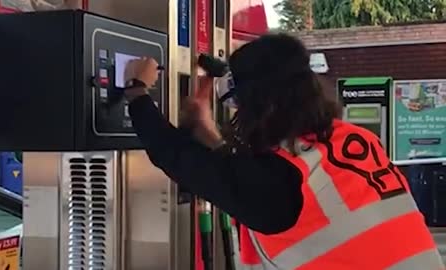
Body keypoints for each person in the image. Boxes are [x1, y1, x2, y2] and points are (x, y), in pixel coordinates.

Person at [123, 34, 444, 269]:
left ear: (263, 103)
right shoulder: (352, 140)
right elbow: (258, 182)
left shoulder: (280, 181)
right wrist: (210, 136)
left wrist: (137, 90)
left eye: (239, 103)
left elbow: (178, 158)